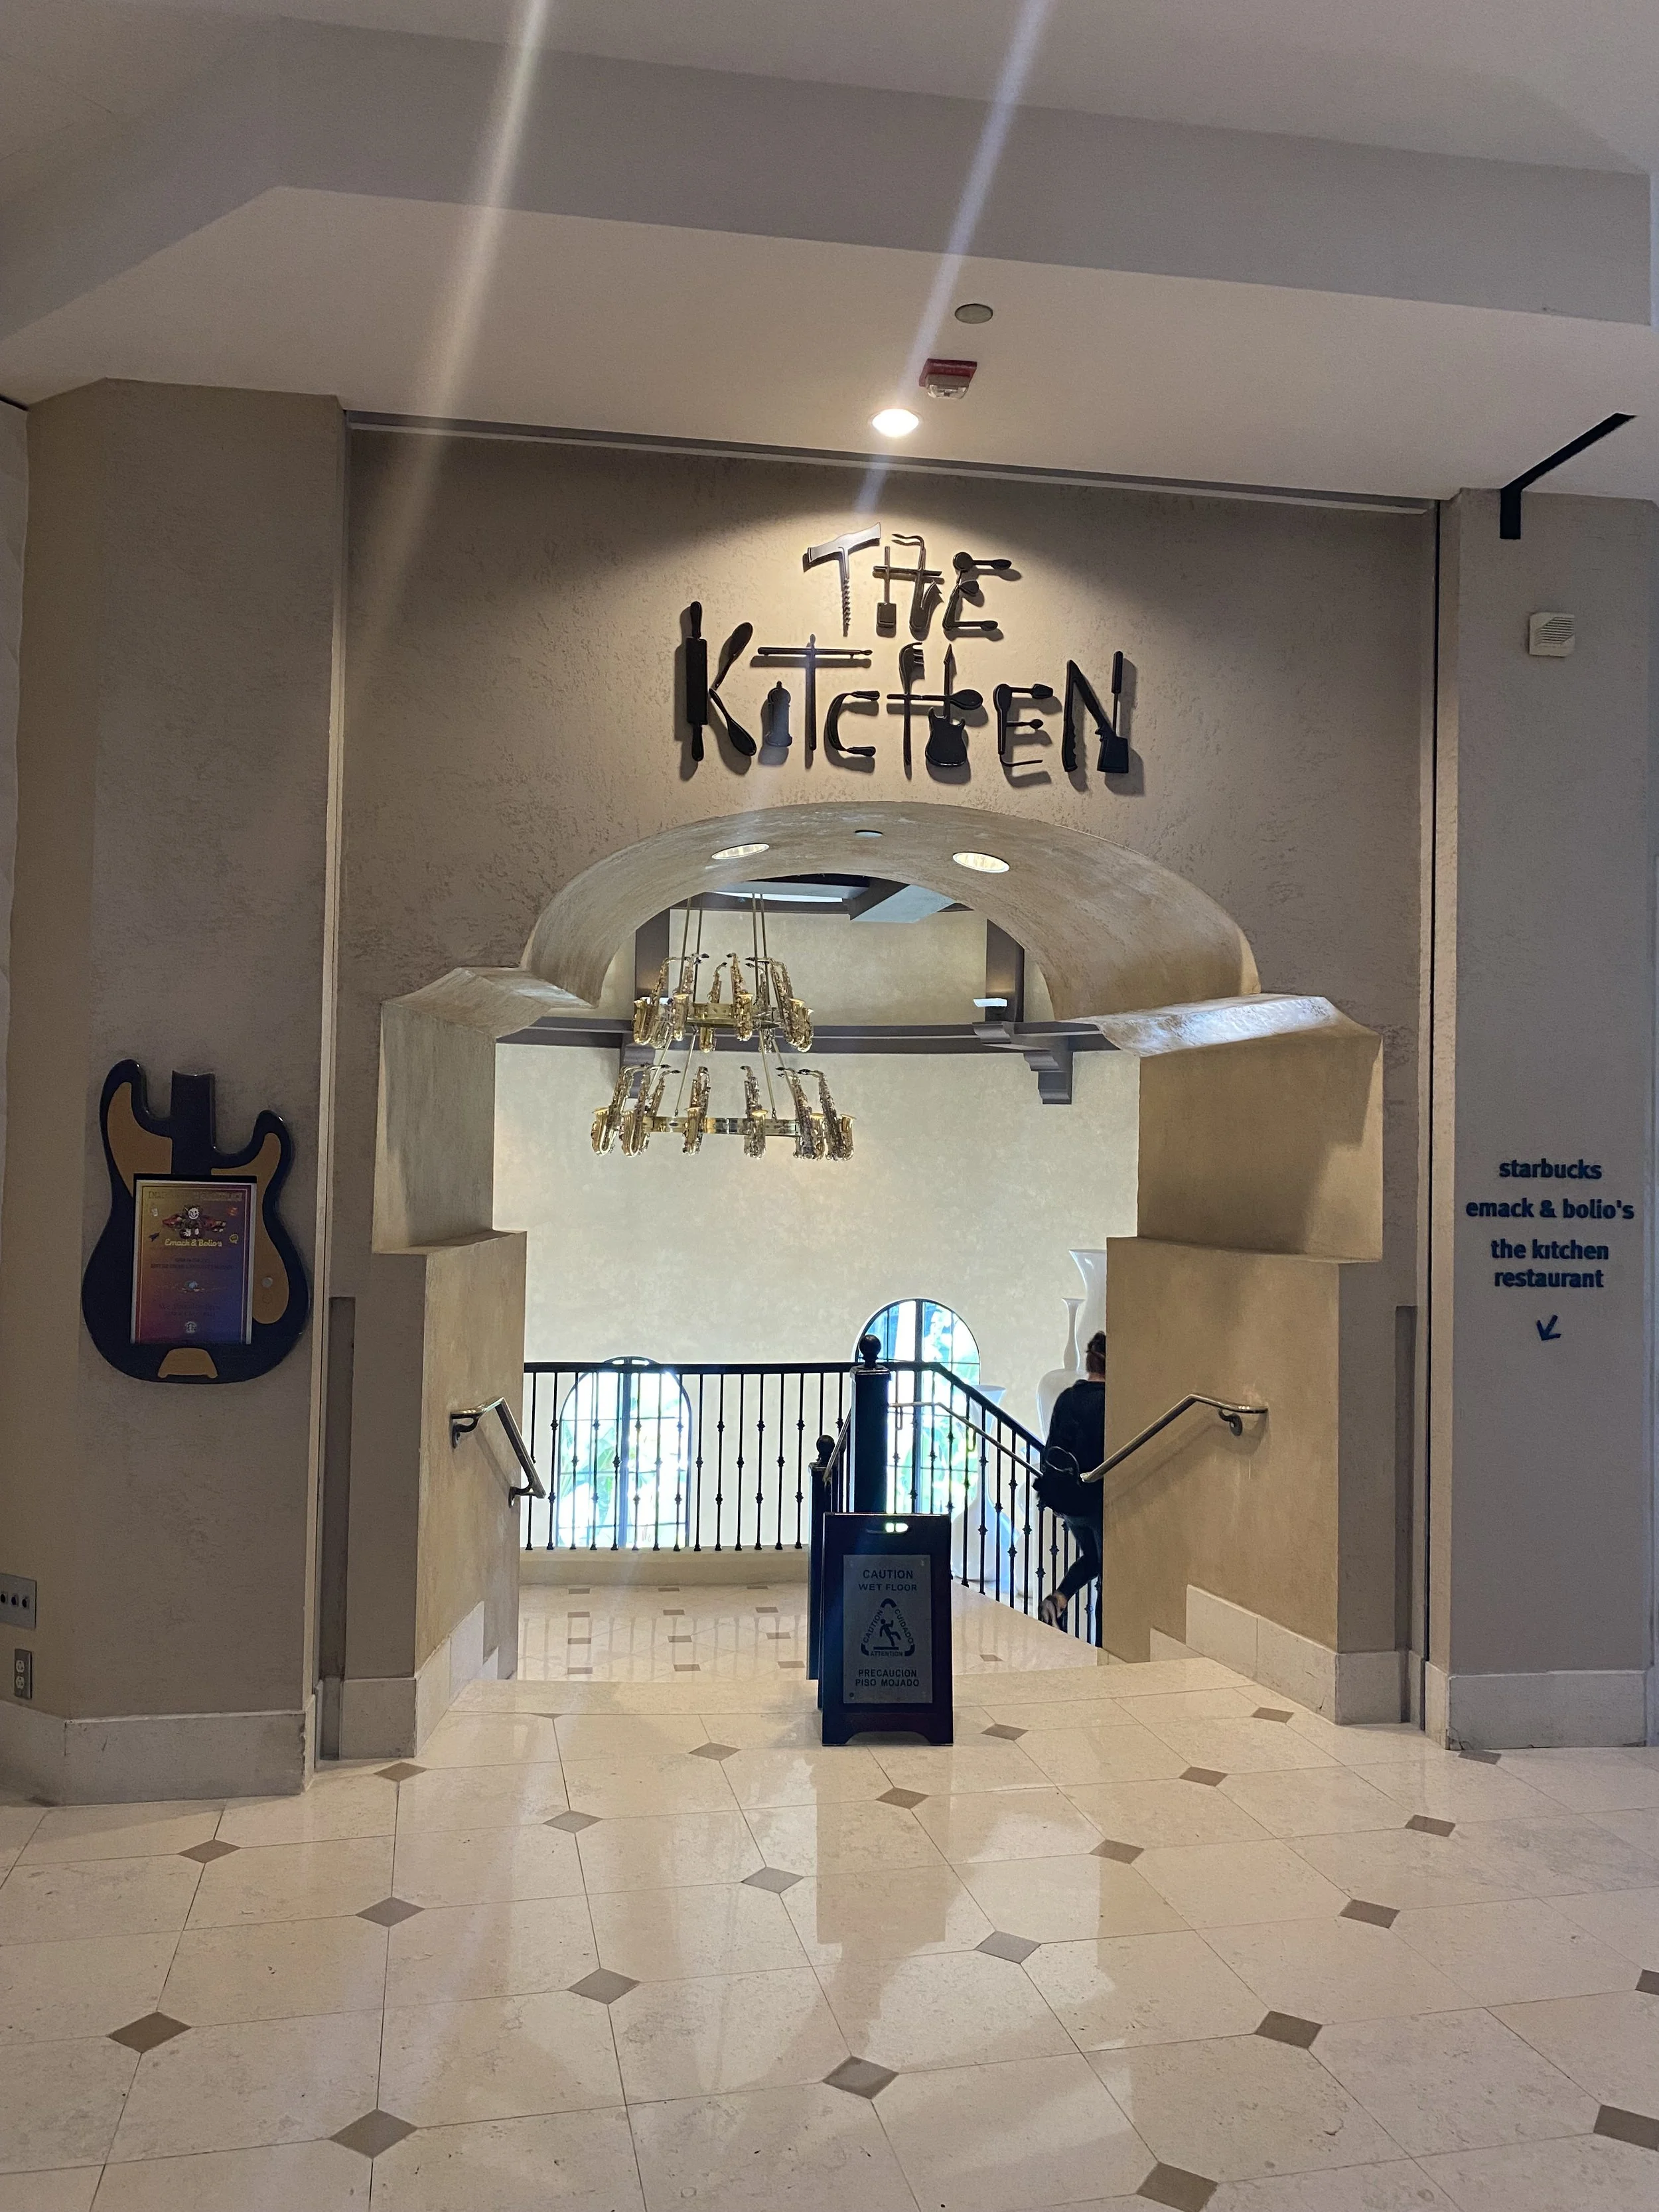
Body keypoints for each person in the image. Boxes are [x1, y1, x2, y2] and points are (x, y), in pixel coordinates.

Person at [1037, 1330, 1105, 1629]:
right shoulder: (1111, 1404)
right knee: (1108, 1572)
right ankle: (1108, 1640)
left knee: (1092, 1558)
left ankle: (1059, 1598)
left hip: (1066, 1499)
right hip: (1098, 1500)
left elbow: (1050, 1446)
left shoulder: (1067, 1398)